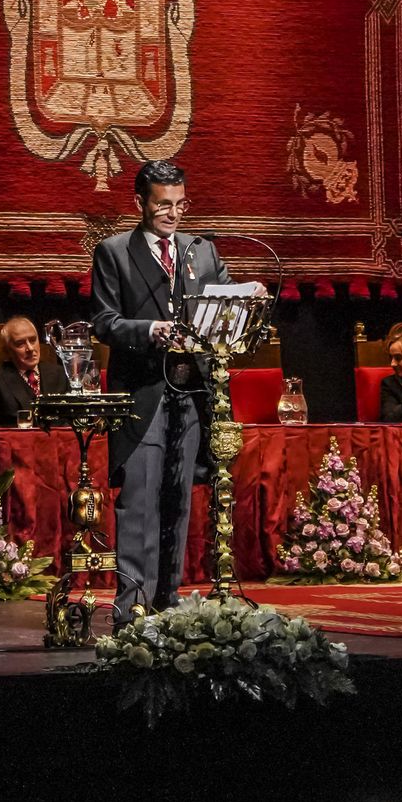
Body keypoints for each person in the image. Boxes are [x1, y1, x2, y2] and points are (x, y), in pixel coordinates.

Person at [90, 159, 262, 627]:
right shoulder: (115, 252)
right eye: (163, 204)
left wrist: (248, 296)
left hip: (191, 392)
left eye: (180, 204)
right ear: (140, 203)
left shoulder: (201, 251)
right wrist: (150, 330)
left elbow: (224, 301)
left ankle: (167, 601)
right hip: (143, 393)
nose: (173, 213)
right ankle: (132, 608)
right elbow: (104, 322)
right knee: (140, 501)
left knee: (178, 500)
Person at [0, 315, 68, 427]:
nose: (30, 348)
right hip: (15, 442)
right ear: (7, 350)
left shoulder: (60, 374)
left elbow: (71, 418)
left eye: (33, 340)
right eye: (20, 344)